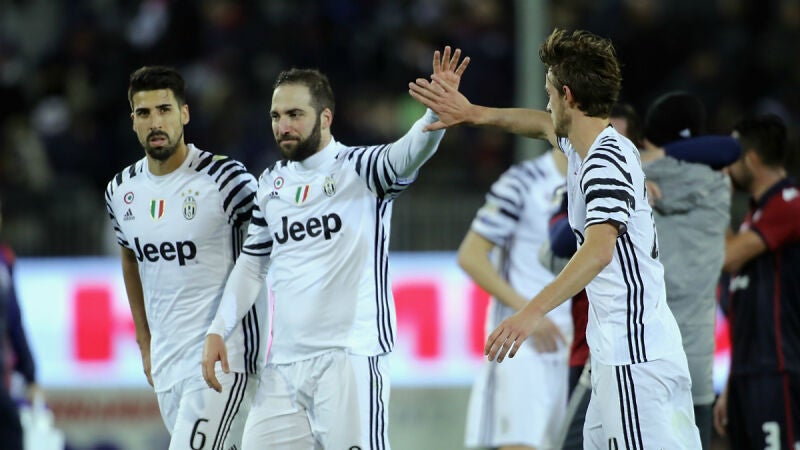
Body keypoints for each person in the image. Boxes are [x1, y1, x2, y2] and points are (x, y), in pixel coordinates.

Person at [409, 28, 702, 448]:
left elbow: (598, 251)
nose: (546, 104)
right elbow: (539, 125)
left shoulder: (606, 162)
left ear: (567, 95)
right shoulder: (588, 146)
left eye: (549, 93)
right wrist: (474, 113)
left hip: (634, 354)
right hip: (615, 353)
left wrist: (529, 312)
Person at [200, 47, 470, 449]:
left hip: (350, 358)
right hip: (284, 366)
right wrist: (217, 329)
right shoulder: (270, 184)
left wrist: (435, 113)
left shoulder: (361, 169)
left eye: (295, 114)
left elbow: (410, 152)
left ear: (325, 117)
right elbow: (253, 264)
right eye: (276, 116)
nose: (283, 126)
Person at [104, 66, 265, 449]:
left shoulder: (226, 180)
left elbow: (273, 239)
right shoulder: (121, 191)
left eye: (164, 110)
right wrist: (144, 340)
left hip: (225, 362)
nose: (155, 122)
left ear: (185, 114)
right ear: (133, 121)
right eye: (144, 113)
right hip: (167, 366)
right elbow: (130, 258)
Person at [638, 92, 735, 450]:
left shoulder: (633, 175)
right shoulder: (720, 182)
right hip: (696, 369)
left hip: (643, 363)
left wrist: (645, 160)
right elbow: (730, 148)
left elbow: (555, 249)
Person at [459, 147, 571, 450]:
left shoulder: (596, 181)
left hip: (575, 346)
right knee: (520, 444)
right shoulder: (523, 181)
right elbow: (471, 255)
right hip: (523, 346)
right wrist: (530, 313)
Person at [714, 114, 800, 450]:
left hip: (777, 371)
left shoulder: (789, 203)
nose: (727, 169)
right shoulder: (757, 214)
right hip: (749, 374)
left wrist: (718, 199)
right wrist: (732, 383)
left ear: (750, 159)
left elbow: (727, 257)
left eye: (732, 160)